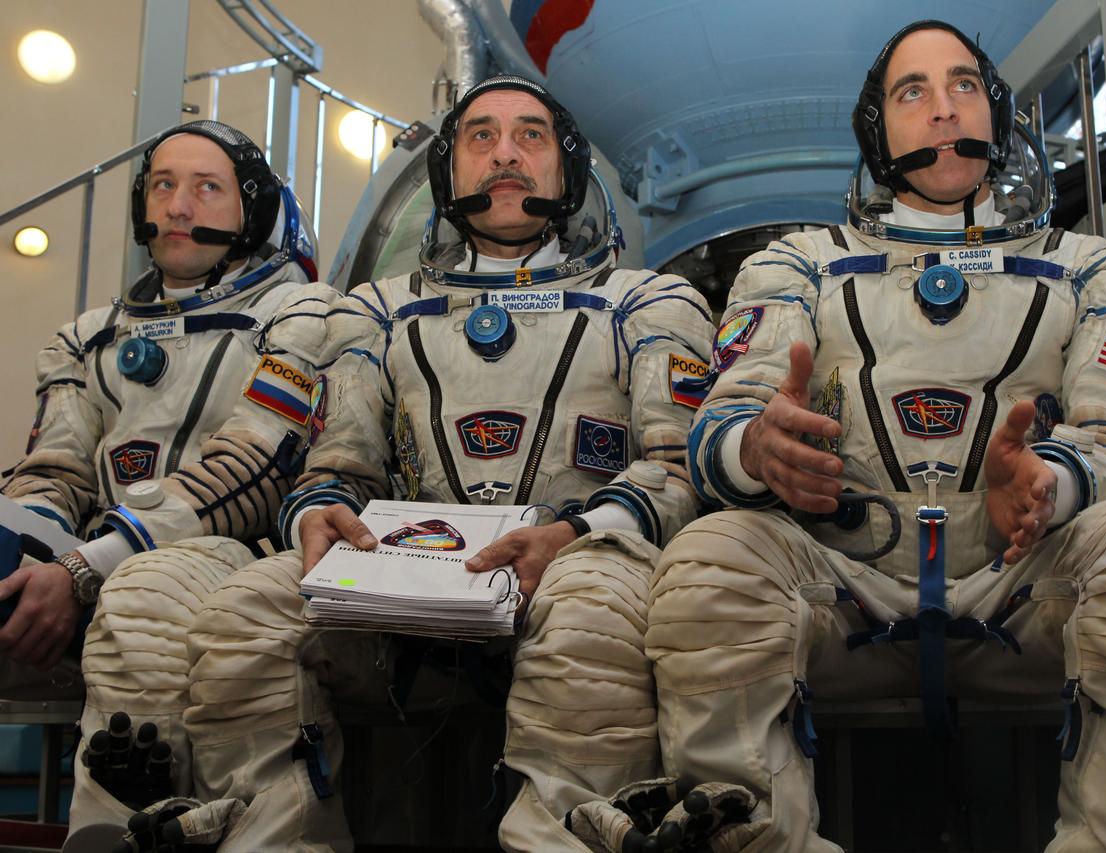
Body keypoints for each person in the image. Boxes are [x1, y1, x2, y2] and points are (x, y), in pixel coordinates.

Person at [645, 20, 1106, 852]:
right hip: (839, 587)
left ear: (998, 115)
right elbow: (722, 424)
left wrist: (1050, 480)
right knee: (711, 559)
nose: (943, 109)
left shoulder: (1098, 270)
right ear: (878, 130)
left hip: (1028, 583)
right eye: (914, 92)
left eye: (964, 86)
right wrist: (758, 449)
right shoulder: (793, 265)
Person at [95, 75, 714, 852]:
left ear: (570, 169)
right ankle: (266, 832)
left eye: (530, 136)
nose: (504, 155)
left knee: (591, 611)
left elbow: (676, 466)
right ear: (446, 171)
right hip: (404, 577)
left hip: (578, 560)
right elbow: (340, 462)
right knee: (249, 608)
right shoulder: (376, 310)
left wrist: (574, 533)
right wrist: (316, 509)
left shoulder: (649, 301)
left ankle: (568, 832)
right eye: (479, 138)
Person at [1, 120, 339, 836]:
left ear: (255, 211)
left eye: (206, 187)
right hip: (89, 563)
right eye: (162, 185)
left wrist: (87, 565)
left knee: (140, 600)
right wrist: (23, 546)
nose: (178, 207)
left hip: (237, 553)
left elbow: (257, 461)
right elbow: (54, 470)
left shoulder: (304, 314)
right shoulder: (87, 337)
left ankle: (129, 824)